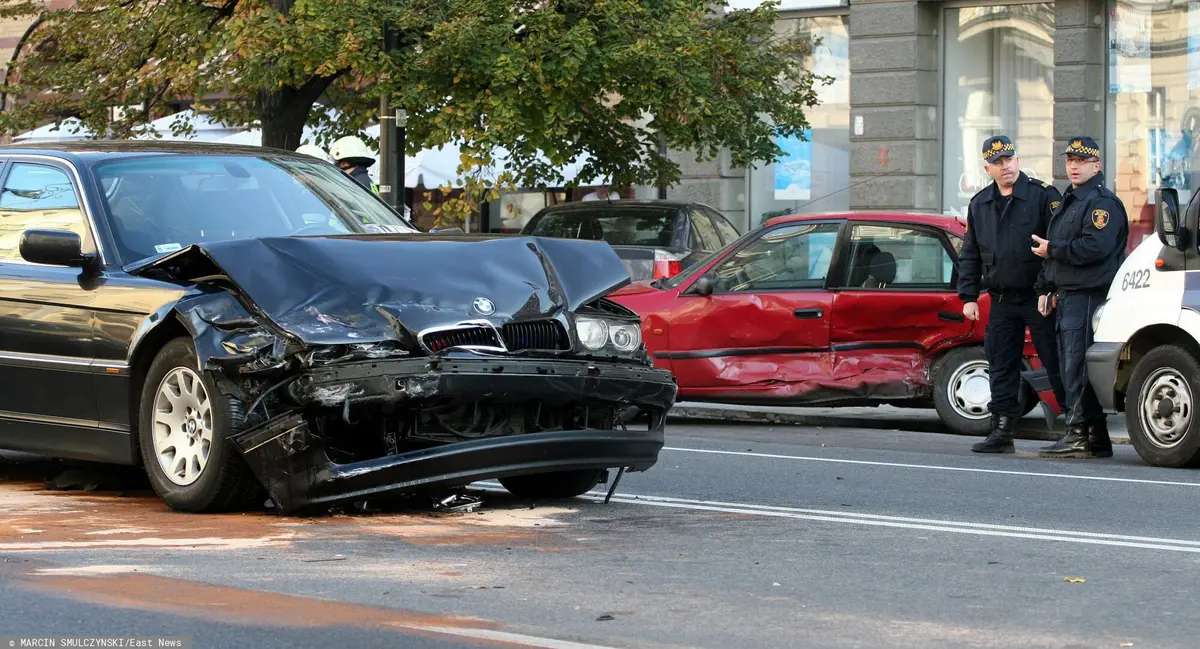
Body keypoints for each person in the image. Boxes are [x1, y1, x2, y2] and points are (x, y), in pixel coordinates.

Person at [957, 135, 1067, 453]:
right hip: (1001, 299)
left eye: (1009, 159)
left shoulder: (1041, 196)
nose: (1005, 167)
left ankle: (1076, 426)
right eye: (998, 163)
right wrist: (967, 297)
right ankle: (1002, 432)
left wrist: (1050, 289)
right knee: (1001, 365)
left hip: (1038, 297)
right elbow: (971, 254)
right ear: (987, 168)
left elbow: (1056, 248)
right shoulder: (980, 204)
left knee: (1055, 360)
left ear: (1017, 161)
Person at [1031, 136, 1129, 458]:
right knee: (1072, 365)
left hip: (1089, 296)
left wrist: (1052, 249)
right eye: (1070, 160)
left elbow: (1094, 248)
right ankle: (1095, 436)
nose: (1073, 165)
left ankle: (1076, 434)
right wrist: (1046, 287)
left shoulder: (1102, 204)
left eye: (1081, 161)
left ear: (1096, 166)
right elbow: (1055, 254)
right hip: (1069, 295)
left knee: (1075, 368)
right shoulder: (1069, 201)